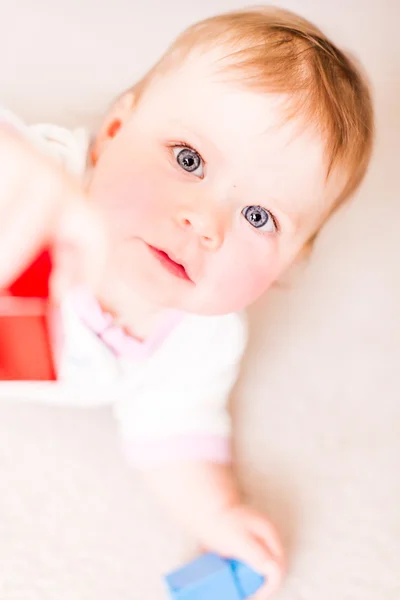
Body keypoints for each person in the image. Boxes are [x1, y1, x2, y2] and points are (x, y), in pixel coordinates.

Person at [0, 7, 374, 597]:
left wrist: (217, 514)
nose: (206, 224)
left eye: (259, 217)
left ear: (285, 267)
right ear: (113, 134)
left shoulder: (201, 337)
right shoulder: (39, 194)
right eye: (189, 159)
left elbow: (174, 426)